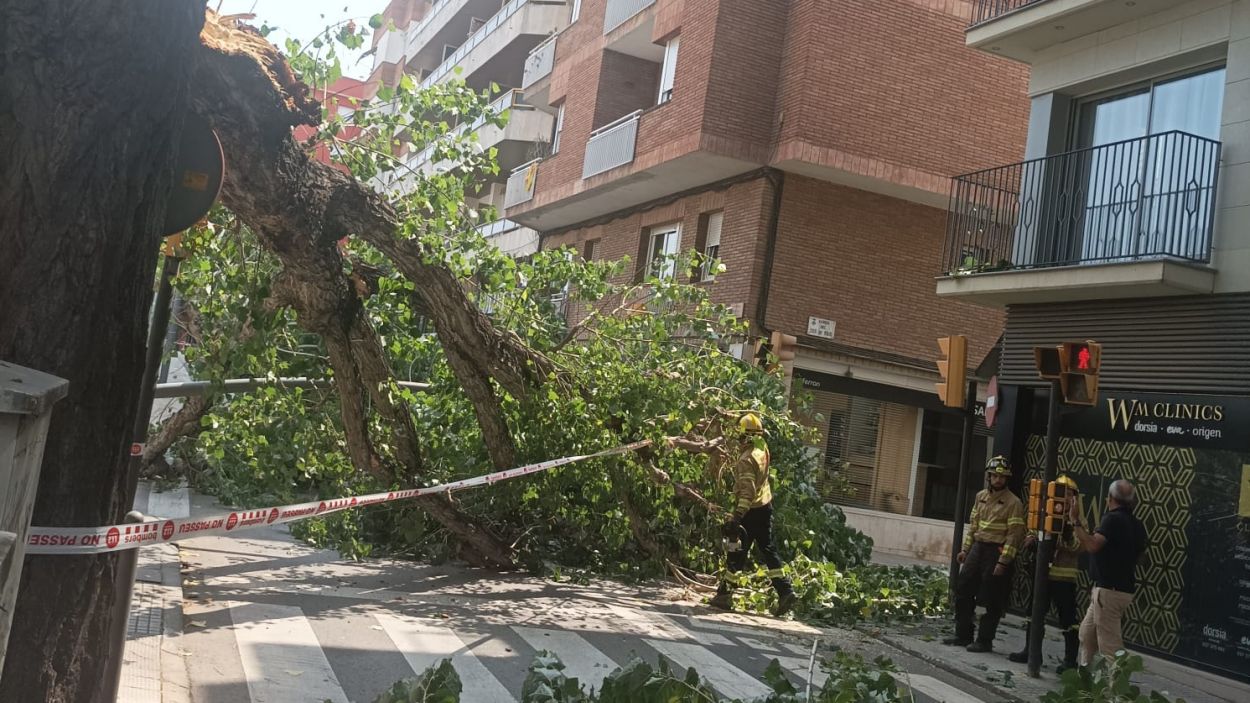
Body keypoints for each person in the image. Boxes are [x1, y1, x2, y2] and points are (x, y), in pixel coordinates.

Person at [708, 412, 797, 617]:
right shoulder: (761, 448)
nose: (738, 440)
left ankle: (725, 595)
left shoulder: (747, 460)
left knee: (736, 550)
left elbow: (747, 491)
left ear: (746, 436)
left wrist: (737, 516)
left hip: (750, 509)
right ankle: (785, 590)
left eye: (740, 436)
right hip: (765, 505)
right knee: (767, 548)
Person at [944, 456, 1026, 652]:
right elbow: (973, 526)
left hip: (996, 551)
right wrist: (965, 550)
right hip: (978, 548)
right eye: (995, 476)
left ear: (1007, 479)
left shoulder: (1013, 502)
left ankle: (984, 640)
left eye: (1002, 476)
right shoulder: (980, 496)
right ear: (988, 476)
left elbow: (1014, 535)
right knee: (963, 588)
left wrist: (1004, 561)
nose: (998, 479)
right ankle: (963, 634)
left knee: (991, 597)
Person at [1007, 474, 1085, 673]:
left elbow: (1077, 546)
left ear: (1075, 498)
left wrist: (1065, 533)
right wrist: (1032, 539)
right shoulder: (1044, 514)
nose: (1064, 498)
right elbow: (1033, 531)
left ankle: (1069, 660)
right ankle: (1032, 652)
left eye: (1068, 494)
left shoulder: (1078, 521)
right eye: (1060, 493)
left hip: (1064, 579)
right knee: (1033, 614)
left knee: (1068, 620)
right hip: (1042, 575)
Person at [1068, 479, 1147, 665]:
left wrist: (1075, 521)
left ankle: (1117, 693)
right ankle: (1085, 682)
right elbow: (1141, 557)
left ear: (1110, 498)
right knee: (1087, 636)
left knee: (1111, 649)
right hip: (1118, 590)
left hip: (1109, 592)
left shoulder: (1111, 519)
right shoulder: (1137, 525)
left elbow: (1093, 545)